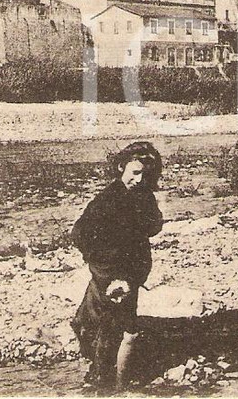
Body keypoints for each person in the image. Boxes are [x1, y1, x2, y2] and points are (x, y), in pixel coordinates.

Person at [71, 142, 164, 391]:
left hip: (130, 270)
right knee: (114, 327)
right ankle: (108, 384)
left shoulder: (142, 194)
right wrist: (109, 274)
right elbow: (80, 233)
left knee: (102, 320)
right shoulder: (107, 201)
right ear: (121, 167)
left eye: (146, 175)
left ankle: (103, 378)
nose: (139, 179)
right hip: (111, 272)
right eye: (135, 172)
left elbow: (154, 226)